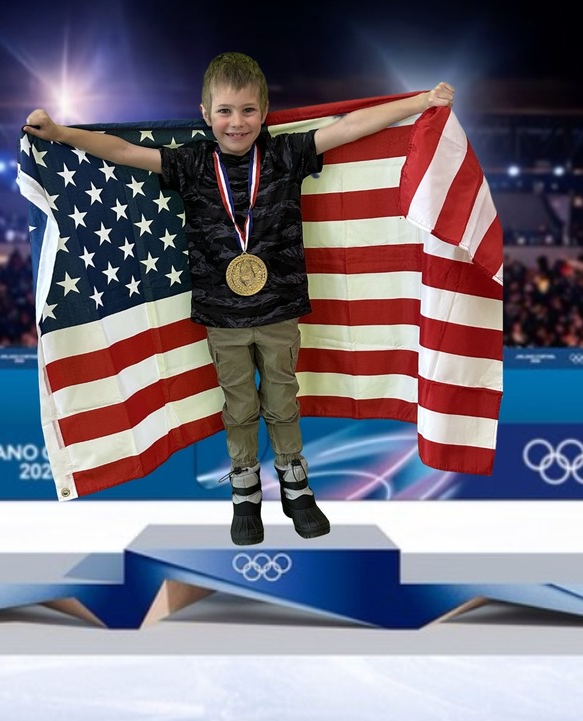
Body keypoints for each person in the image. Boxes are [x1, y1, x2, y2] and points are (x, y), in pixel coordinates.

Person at [23, 53, 455, 546]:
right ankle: (244, 489)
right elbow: (120, 151)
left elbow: (350, 128)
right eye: (225, 111)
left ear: (265, 111)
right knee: (239, 404)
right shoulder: (189, 162)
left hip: (279, 309)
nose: (237, 122)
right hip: (222, 314)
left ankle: (295, 482)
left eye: (248, 110)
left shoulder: (287, 154)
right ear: (205, 114)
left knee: (283, 399)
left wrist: (421, 101)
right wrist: (60, 134)